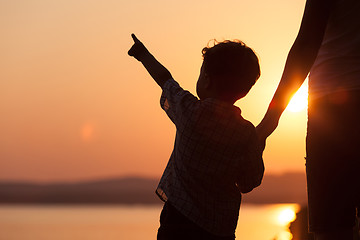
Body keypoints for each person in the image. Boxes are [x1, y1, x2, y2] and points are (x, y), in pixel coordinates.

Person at [128, 34, 264, 240]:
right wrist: (257, 146)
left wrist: (143, 54)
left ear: (207, 81)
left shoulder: (189, 111)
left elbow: (165, 79)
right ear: (244, 91)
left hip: (177, 224)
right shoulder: (246, 133)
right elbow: (249, 182)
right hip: (220, 232)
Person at [256, 0, 360, 239]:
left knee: (331, 228)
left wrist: (268, 124)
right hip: (333, 107)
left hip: (333, 111)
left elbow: (306, 44)